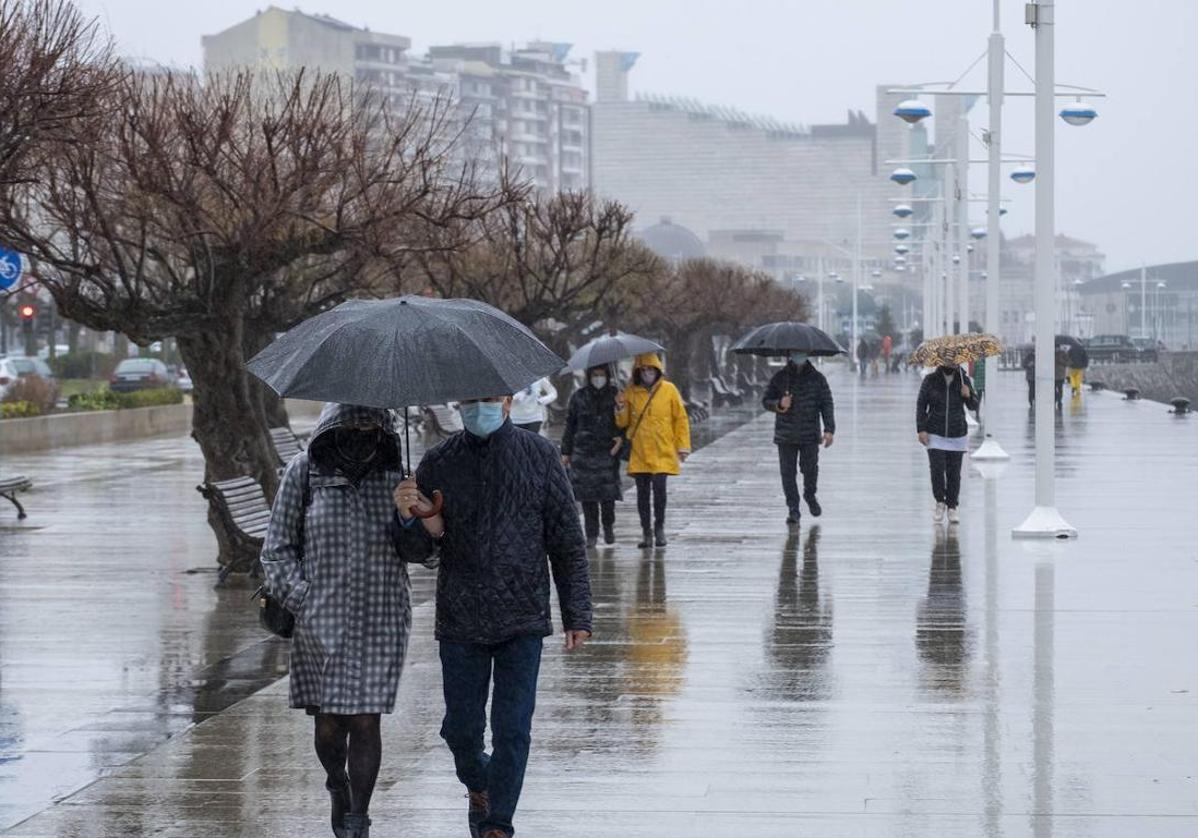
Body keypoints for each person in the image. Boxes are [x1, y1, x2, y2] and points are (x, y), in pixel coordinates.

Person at [393, 395, 592, 838]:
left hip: (522, 615)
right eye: (470, 401)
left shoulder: (539, 455)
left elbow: (566, 541)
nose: (478, 408)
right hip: (461, 616)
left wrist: (577, 611)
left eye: (487, 399)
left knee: (512, 728)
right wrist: (410, 516)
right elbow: (419, 552)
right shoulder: (439, 460)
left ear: (506, 401)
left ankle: (497, 823)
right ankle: (479, 782)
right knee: (461, 730)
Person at [261, 404, 413, 838]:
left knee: (366, 718)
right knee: (329, 724)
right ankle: (336, 783)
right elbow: (277, 549)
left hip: (382, 616)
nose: (362, 430)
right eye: (353, 421)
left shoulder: (399, 474)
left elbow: (429, 552)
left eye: (370, 422)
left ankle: (358, 818)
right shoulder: (304, 472)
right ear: (333, 423)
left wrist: (411, 516)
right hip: (320, 619)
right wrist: (302, 598)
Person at [615, 353, 692, 549]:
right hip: (640, 450)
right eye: (643, 370)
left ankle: (659, 527)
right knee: (642, 493)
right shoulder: (630, 392)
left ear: (657, 370)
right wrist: (620, 406)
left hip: (662, 449)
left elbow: (680, 419)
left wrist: (682, 446)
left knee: (659, 490)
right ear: (638, 372)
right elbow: (623, 422)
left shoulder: (669, 390)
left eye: (650, 369)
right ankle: (646, 532)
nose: (647, 373)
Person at [762, 353, 835, 525]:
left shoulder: (817, 379)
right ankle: (793, 508)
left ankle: (810, 495)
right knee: (788, 474)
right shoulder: (781, 378)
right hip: (785, 435)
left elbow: (826, 403)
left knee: (810, 469)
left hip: (809, 433)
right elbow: (766, 400)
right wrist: (780, 404)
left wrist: (829, 429)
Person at [561, 365, 623, 548]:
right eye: (595, 375)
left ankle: (608, 526)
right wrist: (566, 451)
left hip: (607, 451)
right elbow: (570, 425)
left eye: (601, 375)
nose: (598, 378)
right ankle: (591, 533)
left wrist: (620, 440)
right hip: (583, 452)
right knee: (587, 497)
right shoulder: (578, 397)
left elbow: (624, 423)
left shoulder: (616, 395)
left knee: (608, 496)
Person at [916, 359, 980, 524]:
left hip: (956, 432)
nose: (951, 363)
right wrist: (921, 429)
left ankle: (952, 506)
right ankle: (940, 502)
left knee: (954, 473)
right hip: (935, 432)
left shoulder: (963, 379)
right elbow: (921, 404)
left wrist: (969, 395)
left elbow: (974, 405)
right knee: (937, 471)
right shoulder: (930, 380)